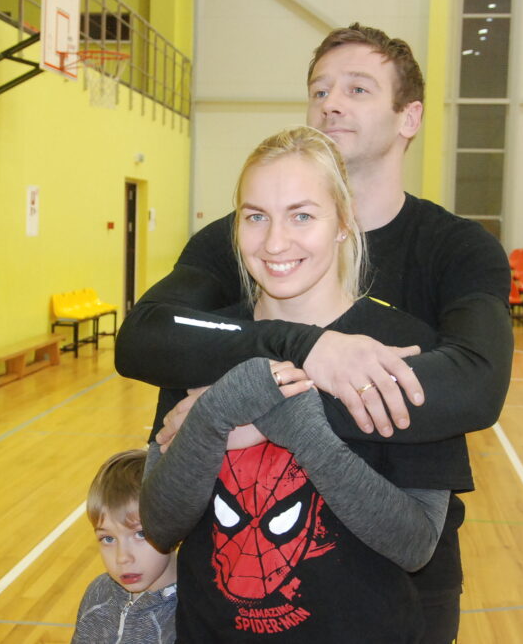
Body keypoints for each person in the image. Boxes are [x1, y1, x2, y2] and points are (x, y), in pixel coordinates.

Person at [116, 24, 514, 643]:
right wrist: (308, 350)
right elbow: (148, 334)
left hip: (399, 586)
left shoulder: (456, 249)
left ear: (409, 117)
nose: (331, 104)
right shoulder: (237, 244)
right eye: (319, 90)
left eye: (358, 89)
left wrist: (259, 408)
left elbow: (475, 385)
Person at [141, 126, 467, 642]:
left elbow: (416, 544)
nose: (275, 242)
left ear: (344, 221)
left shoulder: (405, 346)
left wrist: (295, 423)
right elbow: (160, 524)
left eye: (302, 216)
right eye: (256, 217)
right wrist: (216, 414)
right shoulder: (207, 343)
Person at [72, 449, 178, 644]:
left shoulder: (193, 615)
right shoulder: (98, 593)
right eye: (108, 539)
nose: (122, 558)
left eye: (141, 534)